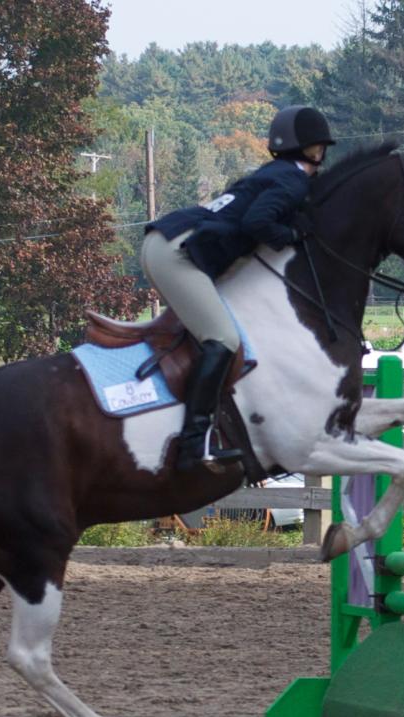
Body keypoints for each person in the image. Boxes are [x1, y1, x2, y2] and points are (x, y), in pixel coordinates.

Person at [142, 105, 335, 471]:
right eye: (320, 146)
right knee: (223, 338)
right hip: (177, 252)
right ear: (314, 149)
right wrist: (293, 234)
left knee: (212, 334)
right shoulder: (292, 181)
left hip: (170, 240)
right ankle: (193, 446)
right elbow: (257, 222)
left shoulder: (273, 173)